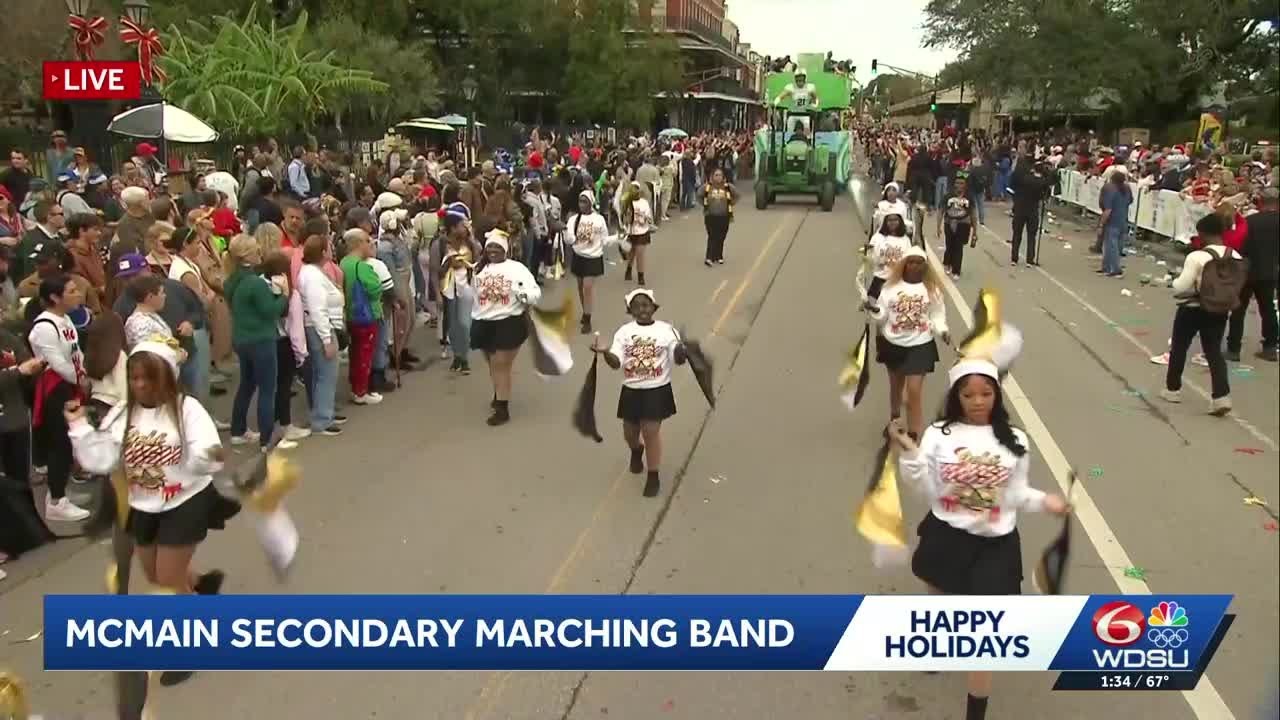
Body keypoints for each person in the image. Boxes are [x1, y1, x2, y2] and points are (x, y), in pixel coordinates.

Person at [890, 359, 1069, 720]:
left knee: (982, 640)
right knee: (938, 602)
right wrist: (910, 456)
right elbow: (923, 488)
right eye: (968, 394)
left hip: (995, 547)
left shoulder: (1015, 439)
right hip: (946, 536)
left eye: (986, 393)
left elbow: (1016, 493)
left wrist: (1045, 501)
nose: (977, 401)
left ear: (997, 395)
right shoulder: (940, 434)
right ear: (956, 395)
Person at [66, 337, 233, 676]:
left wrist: (206, 457)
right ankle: (201, 585)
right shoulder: (122, 413)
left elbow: (208, 453)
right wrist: (80, 427)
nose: (140, 385)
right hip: (143, 504)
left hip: (186, 500)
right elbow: (101, 458)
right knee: (154, 573)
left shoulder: (187, 409)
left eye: (148, 378)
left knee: (167, 581)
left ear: (166, 378)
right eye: (135, 377)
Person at [591, 289, 686, 498]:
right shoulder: (624, 332)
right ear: (630, 310)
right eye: (637, 306)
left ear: (653, 307)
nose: (642, 309)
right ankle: (636, 450)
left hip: (657, 389)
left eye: (646, 305)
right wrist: (605, 352)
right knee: (630, 433)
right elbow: (616, 363)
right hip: (632, 390)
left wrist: (681, 351)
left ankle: (653, 476)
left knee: (650, 431)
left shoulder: (666, 331)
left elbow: (677, 358)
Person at [1160, 214, 1243, 416]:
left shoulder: (1197, 257)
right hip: (1219, 309)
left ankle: (1173, 389)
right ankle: (1221, 396)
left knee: (1180, 346)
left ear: (1204, 233)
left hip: (1192, 307)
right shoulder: (1236, 257)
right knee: (1213, 351)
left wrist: (1173, 282)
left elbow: (1181, 287)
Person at [27, 274, 92, 521]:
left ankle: (59, 493)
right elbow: (57, 363)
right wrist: (79, 379)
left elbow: (76, 354)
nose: (78, 294)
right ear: (55, 297)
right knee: (61, 443)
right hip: (55, 388)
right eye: (72, 290)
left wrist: (83, 374)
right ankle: (56, 500)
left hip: (70, 384)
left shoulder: (64, 320)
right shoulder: (44, 327)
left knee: (68, 441)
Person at [867, 248, 950, 439]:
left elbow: (937, 315)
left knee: (914, 391)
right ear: (904, 264)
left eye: (919, 263)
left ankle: (915, 431)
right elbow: (882, 316)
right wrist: (874, 310)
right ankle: (895, 419)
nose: (914, 266)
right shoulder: (889, 288)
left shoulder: (932, 289)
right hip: (893, 343)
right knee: (896, 387)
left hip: (921, 344)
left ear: (925, 266)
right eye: (911, 262)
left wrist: (942, 330)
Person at [470, 230, 541, 426]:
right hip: (483, 321)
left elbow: (535, 291)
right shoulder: (479, 268)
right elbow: (473, 294)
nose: (493, 250)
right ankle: (499, 393)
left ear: (506, 250)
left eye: (497, 247)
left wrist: (524, 295)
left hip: (508, 322)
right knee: (492, 363)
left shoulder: (517, 269)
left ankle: (502, 407)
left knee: (500, 364)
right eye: (490, 247)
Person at [224, 235, 287, 449]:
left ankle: (238, 430)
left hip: (241, 339)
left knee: (247, 384)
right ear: (246, 255)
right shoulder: (255, 284)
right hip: (261, 339)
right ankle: (266, 439)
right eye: (255, 249)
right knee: (268, 389)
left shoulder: (232, 280)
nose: (259, 251)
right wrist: (284, 295)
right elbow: (271, 311)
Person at [0, 328, 54, 575]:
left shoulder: (8, 338)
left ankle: (26, 533)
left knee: (19, 478)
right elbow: (18, 371)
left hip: (15, 419)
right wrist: (16, 372)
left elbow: (26, 364)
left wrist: (33, 368)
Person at [297, 235, 346, 436]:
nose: (333, 249)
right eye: (329, 247)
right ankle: (322, 419)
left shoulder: (314, 272)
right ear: (323, 252)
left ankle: (325, 412)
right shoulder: (312, 277)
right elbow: (317, 309)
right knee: (326, 373)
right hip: (320, 329)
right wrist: (326, 339)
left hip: (322, 326)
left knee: (322, 373)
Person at [1227, 187, 1279, 362]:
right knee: (1268, 309)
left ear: (1260, 202)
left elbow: (1240, 245)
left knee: (1238, 309)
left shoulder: (1250, 222)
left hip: (1247, 270)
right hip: (1270, 271)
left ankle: (1233, 348)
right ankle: (1270, 347)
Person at [340, 229, 385, 405]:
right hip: (366, 316)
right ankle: (361, 391)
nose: (371, 244)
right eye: (368, 241)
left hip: (351, 315)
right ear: (359, 244)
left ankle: (356, 388)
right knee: (364, 354)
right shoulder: (362, 266)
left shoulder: (344, 263)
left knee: (355, 353)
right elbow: (375, 288)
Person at [569, 190, 608, 334]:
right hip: (579, 257)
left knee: (587, 287)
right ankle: (585, 311)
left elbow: (605, 240)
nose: (582, 204)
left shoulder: (599, 220)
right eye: (580, 201)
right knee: (580, 287)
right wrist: (569, 238)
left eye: (585, 201)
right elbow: (570, 237)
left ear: (591, 203)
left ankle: (587, 319)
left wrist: (618, 238)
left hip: (593, 258)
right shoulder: (574, 219)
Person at [859, 212, 913, 303]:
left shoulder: (906, 240)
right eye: (889, 220)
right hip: (880, 279)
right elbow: (870, 256)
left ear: (900, 222)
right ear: (885, 222)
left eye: (895, 220)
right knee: (874, 308)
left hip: (898, 281)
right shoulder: (877, 237)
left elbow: (909, 259)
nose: (892, 222)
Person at [938, 178, 977, 279]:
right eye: (957, 183)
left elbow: (973, 213)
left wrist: (975, 232)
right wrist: (938, 226)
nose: (959, 185)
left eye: (961, 183)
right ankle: (947, 263)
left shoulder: (969, 197)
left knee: (959, 247)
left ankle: (957, 270)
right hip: (949, 223)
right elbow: (941, 211)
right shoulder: (948, 196)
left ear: (965, 185)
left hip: (963, 224)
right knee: (949, 245)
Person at [1096, 172, 1132, 277]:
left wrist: (1101, 224)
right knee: (1115, 245)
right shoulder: (1126, 189)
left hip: (1112, 221)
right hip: (1123, 219)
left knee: (1111, 246)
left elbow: (1108, 210)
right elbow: (1130, 201)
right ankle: (1106, 267)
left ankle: (1115, 268)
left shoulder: (1110, 190)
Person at [701, 168, 737, 267]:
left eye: (720, 175)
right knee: (712, 236)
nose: (718, 177)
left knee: (721, 236)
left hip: (724, 216)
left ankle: (718, 256)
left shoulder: (728, 187)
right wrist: (705, 205)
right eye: (716, 175)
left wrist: (731, 203)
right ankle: (709, 257)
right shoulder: (707, 187)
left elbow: (736, 195)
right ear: (712, 177)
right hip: (710, 216)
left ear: (723, 177)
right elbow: (699, 195)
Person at [621, 181, 654, 285]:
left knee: (640, 253)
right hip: (631, 232)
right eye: (633, 189)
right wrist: (628, 218)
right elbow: (624, 219)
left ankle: (641, 276)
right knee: (632, 253)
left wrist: (644, 220)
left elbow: (649, 217)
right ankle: (629, 268)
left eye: (636, 189)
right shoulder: (626, 202)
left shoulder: (644, 202)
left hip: (642, 232)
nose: (635, 191)